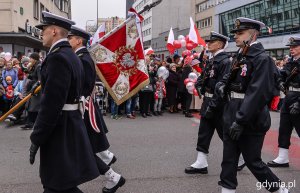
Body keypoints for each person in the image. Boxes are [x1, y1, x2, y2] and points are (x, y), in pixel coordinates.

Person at [215, 17, 290, 193]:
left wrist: (240, 121)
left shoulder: (262, 59)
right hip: (232, 111)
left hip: (250, 117)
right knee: (229, 159)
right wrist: (221, 84)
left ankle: (280, 190)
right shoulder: (241, 55)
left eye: (240, 33)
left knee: (253, 161)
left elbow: (257, 94)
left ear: (253, 35)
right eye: (236, 33)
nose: (236, 37)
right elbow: (230, 77)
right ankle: (227, 190)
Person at [29, 11, 100, 193]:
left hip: (60, 128)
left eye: (43, 29)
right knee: (62, 185)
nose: (41, 34)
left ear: (53, 31)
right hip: (69, 123)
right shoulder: (70, 55)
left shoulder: (58, 57)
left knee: (55, 185)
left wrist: (37, 137)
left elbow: (51, 105)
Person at [68, 26, 125, 193]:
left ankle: (113, 176)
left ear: (79, 40)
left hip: (83, 108)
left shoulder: (83, 58)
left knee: (82, 148)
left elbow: (83, 87)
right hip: (82, 106)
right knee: (84, 147)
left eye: (71, 38)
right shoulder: (81, 56)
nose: (68, 41)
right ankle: (109, 165)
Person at [185, 32, 232, 174]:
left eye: (212, 42)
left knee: (225, 133)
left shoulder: (225, 61)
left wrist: (213, 105)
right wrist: (199, 85)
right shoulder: (212, 59)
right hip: (208, 100)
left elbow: (222, 86)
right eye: (209, 41)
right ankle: (201, 162)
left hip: (219, 103)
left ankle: (239, 157)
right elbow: (203, 77)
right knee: (204, 132)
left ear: (221, 44)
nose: (208, 43)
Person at [267, 36, 300, 168]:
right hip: (289, 96)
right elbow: (282, 74)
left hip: (298, 96)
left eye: (294, 47)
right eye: (290, 47)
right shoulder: (291, 62)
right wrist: (280, 82)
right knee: (284, 128)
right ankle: (283, 157)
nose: (291, 49)